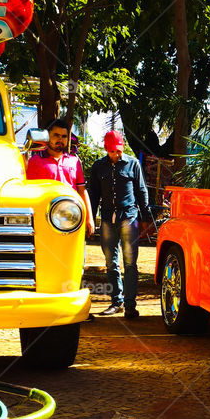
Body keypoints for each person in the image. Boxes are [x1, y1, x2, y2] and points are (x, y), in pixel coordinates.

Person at [89, 131, 150, 319]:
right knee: (110, 263)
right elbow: (93, 195)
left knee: (130, 263)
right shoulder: (98, 167)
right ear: (107, 149)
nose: (118, 154)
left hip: (129, 218)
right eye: (114, 151)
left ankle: (130, 305)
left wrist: (146, 218)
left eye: (120, 150)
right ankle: (117, 302)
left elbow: (141, 191)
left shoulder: (133, 164)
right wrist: (89, 218)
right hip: (107, 219)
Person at [25, 118, 96, 236]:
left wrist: (90, 219)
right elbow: (29, 193)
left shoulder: (75, 161)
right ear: (47, 136)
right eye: (56, 135)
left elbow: (82, 191)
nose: (60, 139)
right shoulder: (35, 161)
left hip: (72, 219)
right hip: (45, 219)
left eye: (64, 136)